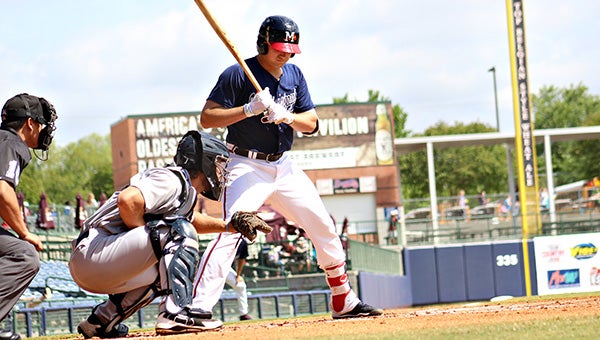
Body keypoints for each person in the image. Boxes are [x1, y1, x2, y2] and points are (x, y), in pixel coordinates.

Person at [193, 15, 382, 320]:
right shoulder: (238, 73)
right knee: (232, 231)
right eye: (280, 47)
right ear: (263, 43)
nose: (286, 53)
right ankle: (196, 307)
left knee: (323, 226)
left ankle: (342, 298)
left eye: (290, 48)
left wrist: (286, 116)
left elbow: (311, 123)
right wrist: (248, 109)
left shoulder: (294, 74)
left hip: (283, 165)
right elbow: (208, 118)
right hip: (246, 164)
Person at [69, 131, 268, 338]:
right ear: (204, 161)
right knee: (177, 234)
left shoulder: (185, 191)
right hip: (94, 252)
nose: (221, 171)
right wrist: (148, 236)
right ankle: (175, 314)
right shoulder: (172, 179)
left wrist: (229, 226)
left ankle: (101, 321)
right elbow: (128, 200)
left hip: (98, 261)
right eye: (218, 163)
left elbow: (191, 220)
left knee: (166, 264)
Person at [0, 93, 57, 340]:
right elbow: (2, 190)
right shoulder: (12, 143)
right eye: (42, 124)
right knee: (24, 255)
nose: (44, 131)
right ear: (30, 123)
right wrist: (24, 232)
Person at [223, 238, 252, 321]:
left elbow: (241, 259)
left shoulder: (242, 242)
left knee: (240, 285)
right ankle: (198, 311)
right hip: (212, 265)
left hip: (225, 267)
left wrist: (238, 275)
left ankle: (244, 314)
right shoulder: (226, 237)